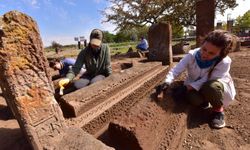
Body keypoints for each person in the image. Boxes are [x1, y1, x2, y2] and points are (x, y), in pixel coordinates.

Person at [157, 30, 236, 129]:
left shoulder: (224, 62)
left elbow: (207, 79)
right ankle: (204, 102)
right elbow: (176, 69)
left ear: (221, 54)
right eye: (204, 49)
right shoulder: (192, 55)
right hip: (195, 84)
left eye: (212, 53)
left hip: (214, 85)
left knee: (210, 87)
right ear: (202, 44)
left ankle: (218, 111)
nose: (205, 54)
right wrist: (167, 81)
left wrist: (187, 88)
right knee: (193, 98)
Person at [58, 29, 112, 94]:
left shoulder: (106, 48)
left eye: (97, 43)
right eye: (93, 43)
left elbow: (107, 65)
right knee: (77, 85)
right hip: (89, 74)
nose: (95, 46)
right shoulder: (84, 52)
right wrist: (68, 78)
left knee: (94, 84)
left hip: (101, 74)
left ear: (101, 41)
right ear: (90, 40)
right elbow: (76, 67)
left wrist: (110, 77)